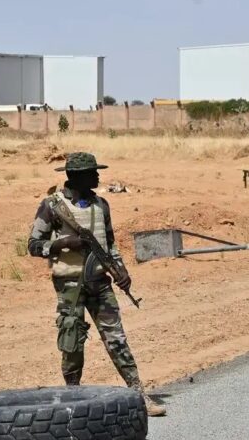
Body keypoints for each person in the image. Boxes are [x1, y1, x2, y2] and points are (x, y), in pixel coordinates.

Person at [28, 152, 165, 416]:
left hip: (100, 281)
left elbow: (109, 244)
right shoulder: (52, 206)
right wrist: (63, 243)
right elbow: (34, 245)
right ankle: (73, 397)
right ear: (76, 176)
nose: (98, 176)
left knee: (116, 338)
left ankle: (138, 393)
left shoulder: (101, 205)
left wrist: (121, 271)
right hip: (70, 284)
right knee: (72, 341)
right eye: (93, 172)